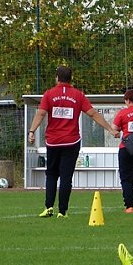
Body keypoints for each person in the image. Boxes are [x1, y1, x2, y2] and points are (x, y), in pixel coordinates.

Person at [27, 65, 115, 218]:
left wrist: (32, 131)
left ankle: (48, 207)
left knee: (52, 174)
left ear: (57, 78)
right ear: (71, 78)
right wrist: (110, 129)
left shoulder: (49, 94)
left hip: (53, 141)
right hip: (71, 141)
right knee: (66, 176)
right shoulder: (78, 95)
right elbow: (93, 113)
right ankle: (62, 211)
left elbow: (41, 114)